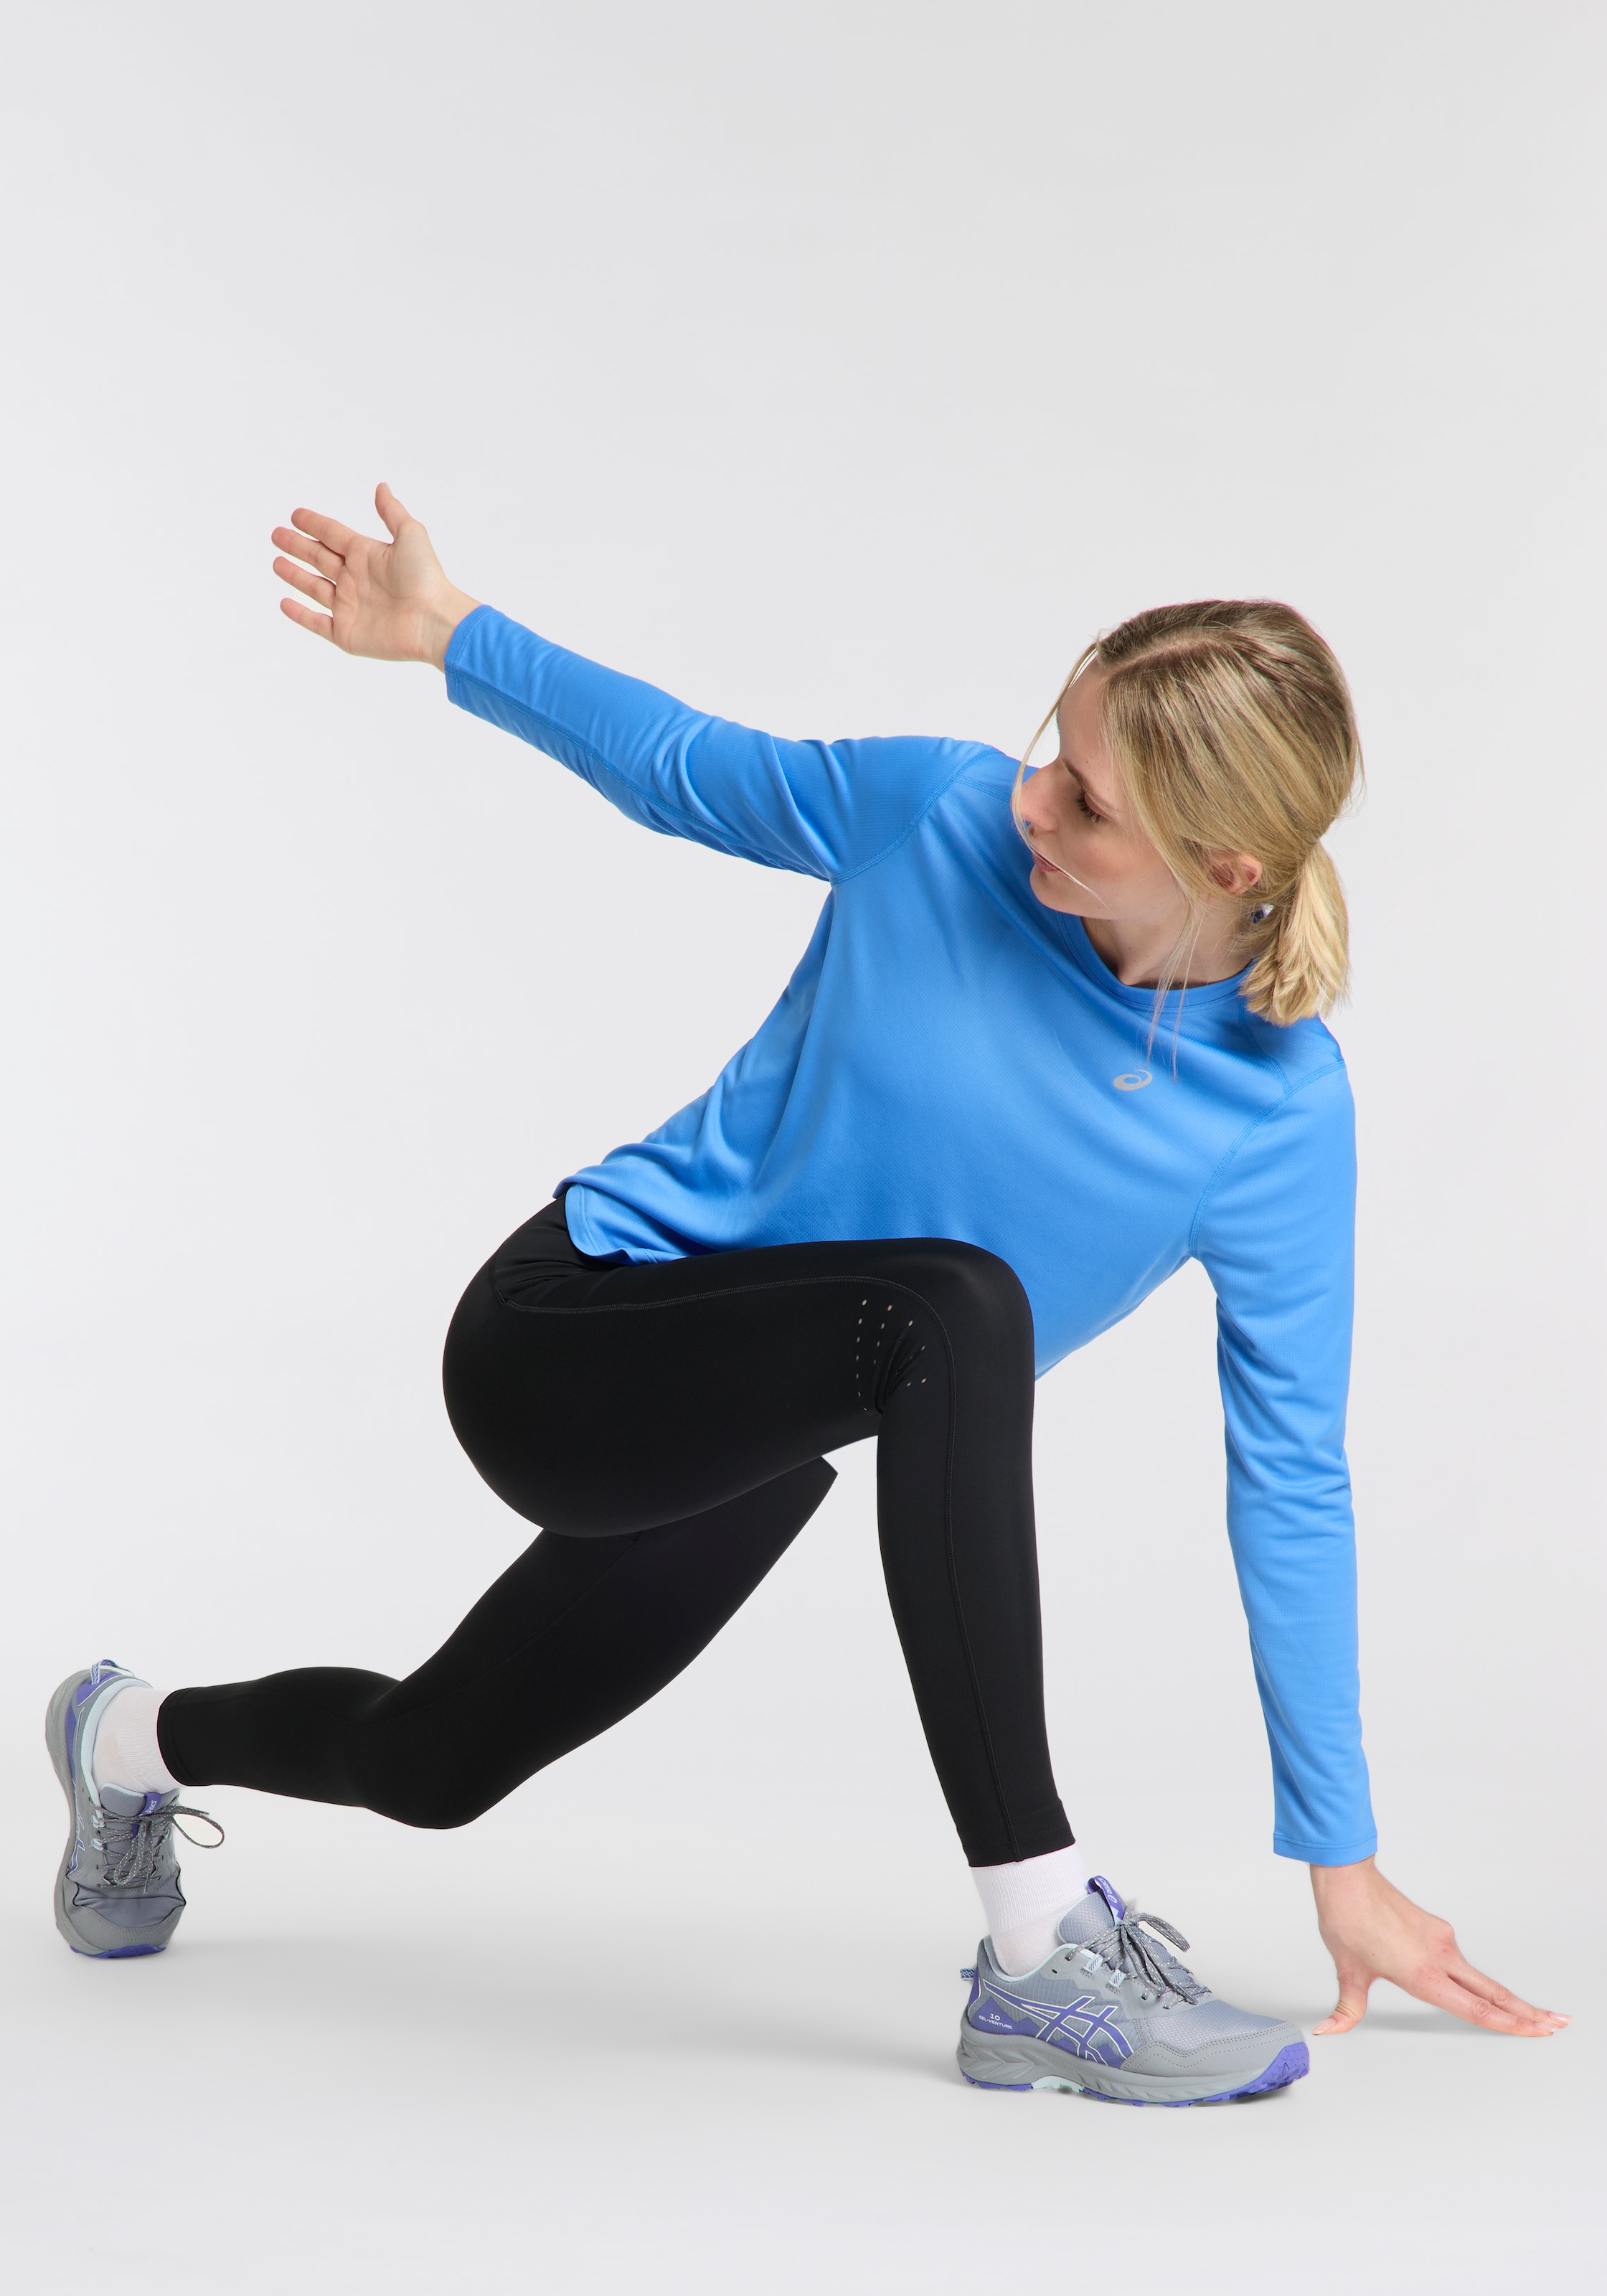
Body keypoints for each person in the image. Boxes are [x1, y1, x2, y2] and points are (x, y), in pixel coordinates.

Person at [47, 485, 1565, 2104]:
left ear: (1224, 864)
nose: (1030, 800)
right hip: (571, 1334)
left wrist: (1343, 1859)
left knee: (430, 1764)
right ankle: (1041, 1948)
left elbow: (1292, 1474)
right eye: (1049, 749)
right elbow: (681, 762)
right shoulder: (940, 816)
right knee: (962, 1310)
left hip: (752, 1433)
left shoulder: (1275, 1114)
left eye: (1085, 803)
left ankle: (122, 1739)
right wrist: (445, 632)